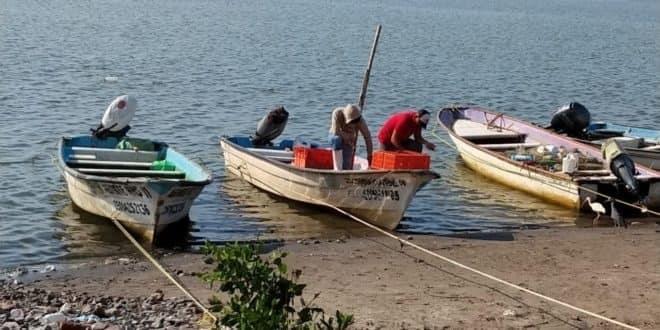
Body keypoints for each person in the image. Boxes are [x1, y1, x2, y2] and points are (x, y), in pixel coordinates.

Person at [328, 104, 373, 170]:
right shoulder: (337, 113)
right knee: (336, 139)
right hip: (335, 136)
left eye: (356, 121)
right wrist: (347, 137)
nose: (354, 124)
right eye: (352, 122)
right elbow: (336, 131)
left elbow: (367, 137)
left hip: (349, 141)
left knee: (346, 167)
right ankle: (337, 169)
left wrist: (369, 155)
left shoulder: (360, 120)